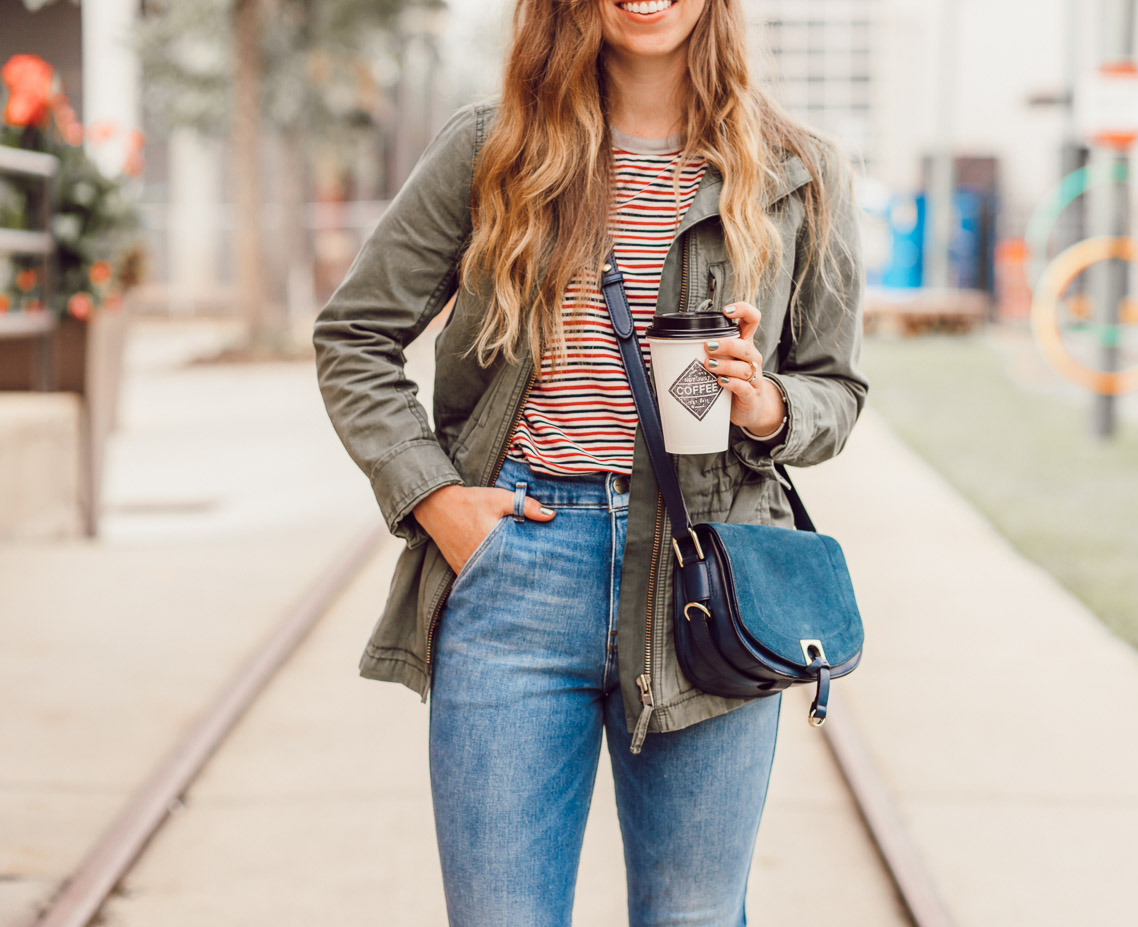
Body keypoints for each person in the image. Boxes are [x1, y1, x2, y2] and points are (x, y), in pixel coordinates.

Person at [312, 0, 867, 924]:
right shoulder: (493, 150)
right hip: (518, 572)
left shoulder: (799, 171)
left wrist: (765, 403)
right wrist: (437, 500)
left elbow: (836, 390)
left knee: (692, 913)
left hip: (705, 579)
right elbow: (353, 335)